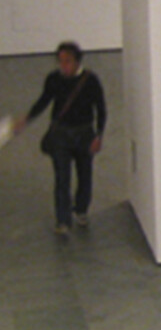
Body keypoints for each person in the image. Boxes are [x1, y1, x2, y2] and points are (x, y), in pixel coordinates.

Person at [13, 41, 107, 235]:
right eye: (60, 61)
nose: (64, 66)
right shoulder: (54, 79)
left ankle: (81, 209)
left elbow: (101, 109)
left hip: (84, 134)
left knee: (84, 175)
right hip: (61, 135)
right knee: (61, 178)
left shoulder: (90, 81)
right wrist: (28, 118)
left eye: (68, 61)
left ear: (77, 61)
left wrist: (99, 135)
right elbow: (44, 100)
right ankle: (63, 220)